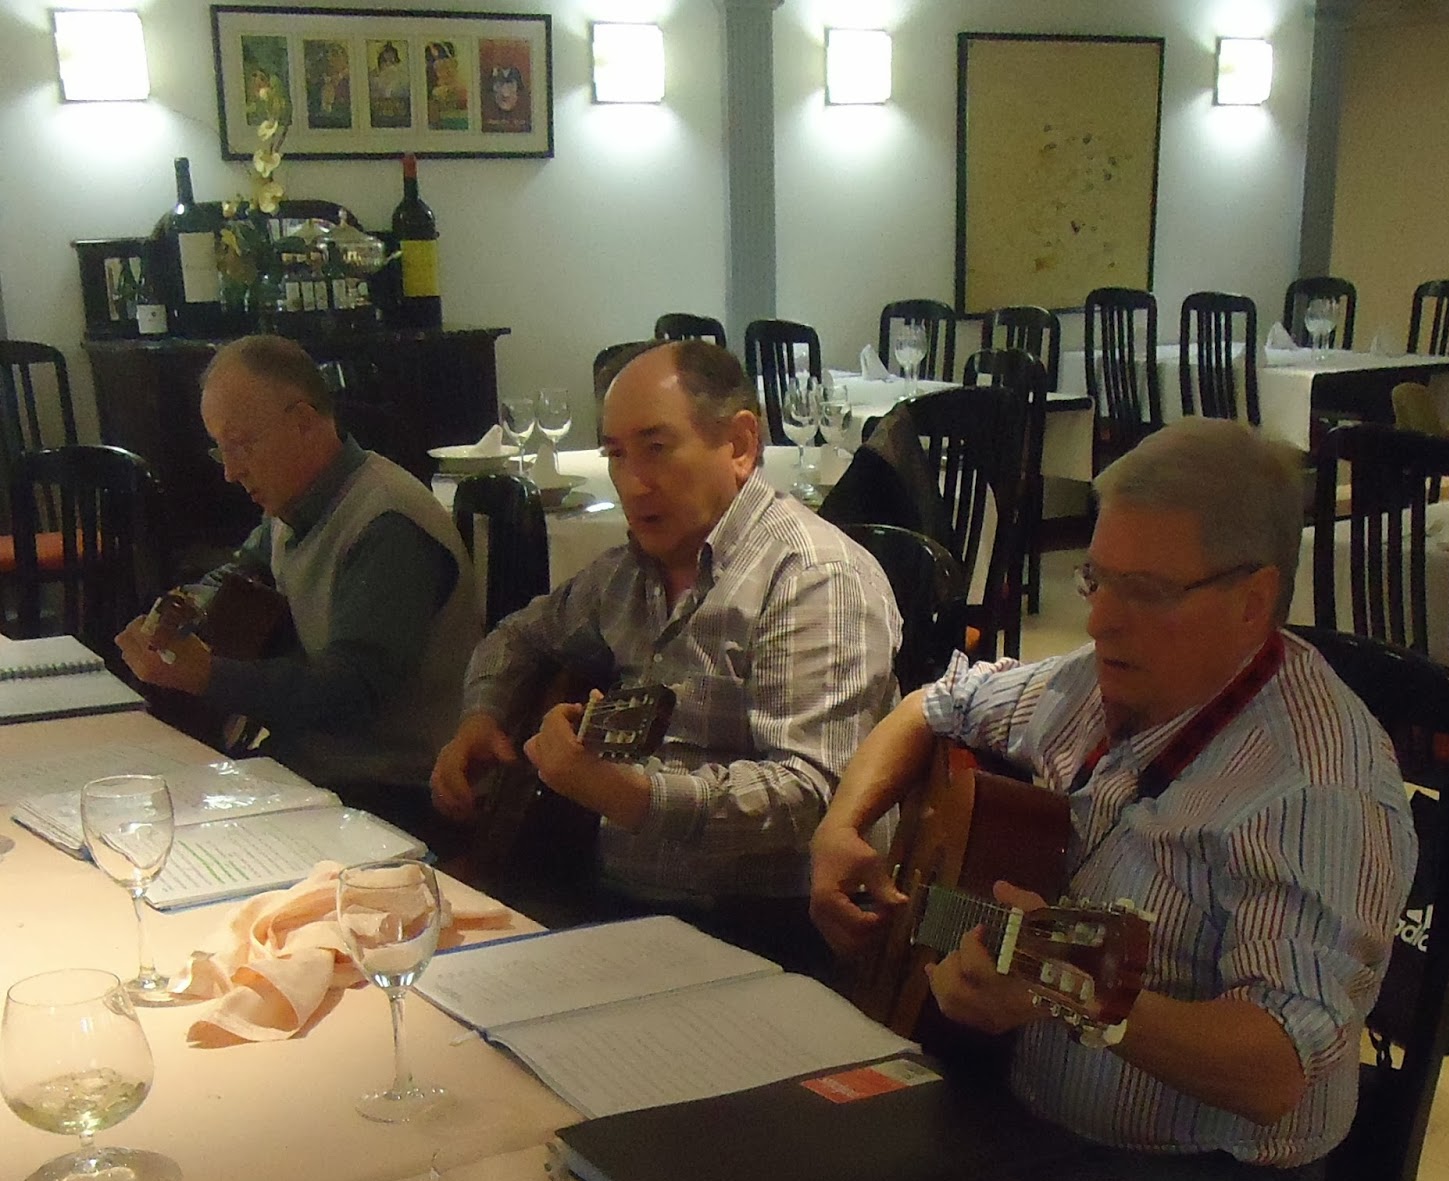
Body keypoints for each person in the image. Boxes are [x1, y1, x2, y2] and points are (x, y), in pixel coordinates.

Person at [809, 416, 1418, 1181]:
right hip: (1018, 1105)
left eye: (1146, 590)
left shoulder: (1317, 788)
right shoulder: (1096, 684)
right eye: (1096, 578)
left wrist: (1067, 988)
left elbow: (1275, 1064)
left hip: (1205, 1180)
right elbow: (933, 706)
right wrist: (842, 827)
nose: (1098, 620)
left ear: (1254, 600)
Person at [430, 340, 901, 978]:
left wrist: (628, 795)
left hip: (764, 927)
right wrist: (481, 716)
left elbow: (812, 795)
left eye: (656, 448)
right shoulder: (630, 572)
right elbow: (519, 635)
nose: (633, 482)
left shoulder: (814, 577)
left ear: (740, 444)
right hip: (616, 903)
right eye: (616, 455)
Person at [116, 334, 480, 840]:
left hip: (394, 794)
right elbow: (237, 577)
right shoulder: (295, 503)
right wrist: (178, 612)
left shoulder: (388, 524)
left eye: (242, 445)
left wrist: (208, 676)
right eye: (221, 449)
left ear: (304, 422)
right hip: (318, 773)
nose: (230, 472)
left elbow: (348, 695)